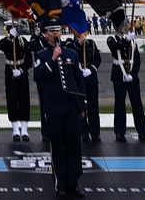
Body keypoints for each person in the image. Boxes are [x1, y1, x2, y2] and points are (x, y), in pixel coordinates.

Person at [33, 18, 86, 198]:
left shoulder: (72, 54)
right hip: (54, 107)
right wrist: (53, 60)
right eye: (52, 31)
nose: (56, 34)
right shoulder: (42, 55)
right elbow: (38, 76)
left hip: (71, 107)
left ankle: (74, 181)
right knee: (57, 147)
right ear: (46, 34)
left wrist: (82, 105)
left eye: (58, 31)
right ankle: (60, 183)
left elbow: (79, 81)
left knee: (74, 146)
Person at [107, 24, 145, 142]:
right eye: (120, 26)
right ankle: (120, 132)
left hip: (131, 76)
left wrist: (133, 74)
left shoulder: (132, 41)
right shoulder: (111, 39)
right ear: (116, 28)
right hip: (119, 75)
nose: (123, 28)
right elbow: (115, 48)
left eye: (124, 26)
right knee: (120, 104)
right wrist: (126, 40)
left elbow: (137, 60)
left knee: (137, 104)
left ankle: (142, 131)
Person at [0, 19, 32, 141]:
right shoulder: (6, 41)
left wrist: (21, 70)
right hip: (10, 70)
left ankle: (25, 130)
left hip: (21, 71)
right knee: (12, 99)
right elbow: (2, 46)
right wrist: (11, 37)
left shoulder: (23, 41)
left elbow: (29, 60)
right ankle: (15, 130)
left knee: (24, 99)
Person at [65, 30, 101, 142]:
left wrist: (91, 70)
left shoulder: (91, 43)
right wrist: (79, 43)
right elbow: (71, 54)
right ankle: (83, 132)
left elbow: (97, 58)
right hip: (78, 79)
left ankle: (95, 132)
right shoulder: (70, 43)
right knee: (80, 107)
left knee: (93, 106)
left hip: (90, 77)